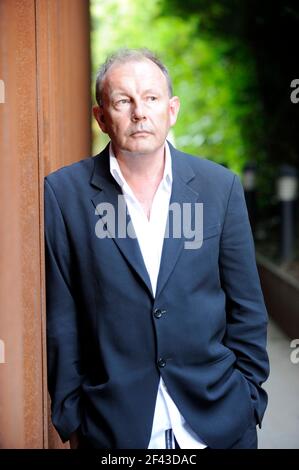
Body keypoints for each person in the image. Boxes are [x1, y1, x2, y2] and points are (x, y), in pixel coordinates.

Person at [45, 48, 269, 449]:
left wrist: (249, 397)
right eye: (123, 101)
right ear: (101, 117)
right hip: (114, 431)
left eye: (151, 98)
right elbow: (63, 318)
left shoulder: (219, 188)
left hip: (217, 424)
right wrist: (72, 417)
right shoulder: (65, 194)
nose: (139, 112)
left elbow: (247, 307)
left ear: (172, 109)